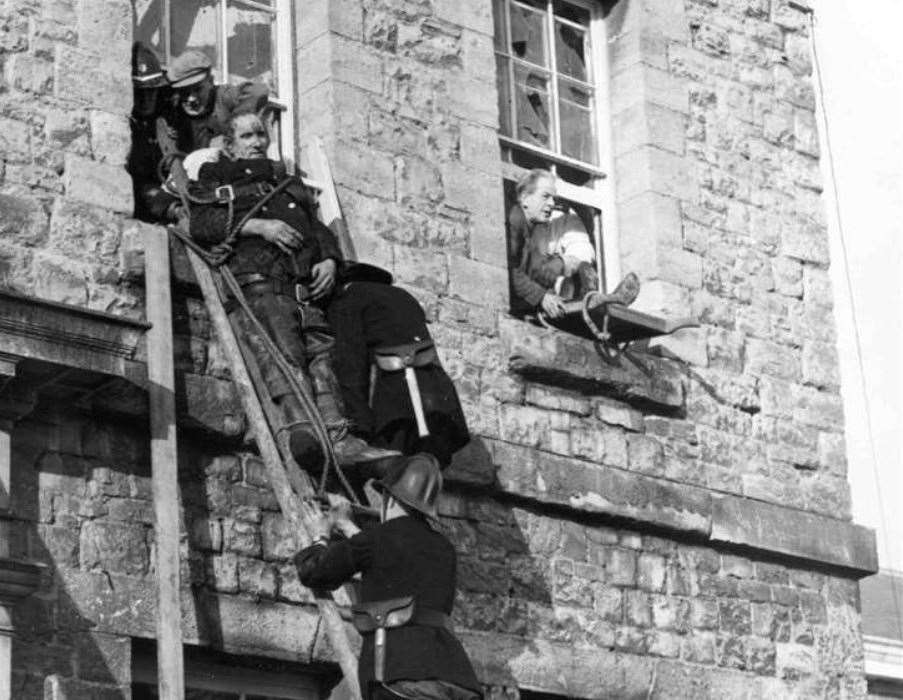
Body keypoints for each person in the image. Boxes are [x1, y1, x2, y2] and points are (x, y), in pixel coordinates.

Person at [189, 111, 395, 467]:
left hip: (304, 288)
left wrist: (330, 259)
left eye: (260, 135)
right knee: (283, 353)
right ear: (229, 144)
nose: (257, 142)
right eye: (247, 136)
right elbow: (201, 224)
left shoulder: (287, 183)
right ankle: (303, 431)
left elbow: (318, 230)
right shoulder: (217, 179)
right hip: (260, 281)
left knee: (321, 359)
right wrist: (257, 226)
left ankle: (339, 438)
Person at [296, 453, 482, 700]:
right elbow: (392, 560)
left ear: (389, 499)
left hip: (400, 678)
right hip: (458, 681)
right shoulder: (445, 548)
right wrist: (347, 526)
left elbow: (314, 571)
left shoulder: (376, 539)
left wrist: (320, 535)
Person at [326, 267, 470, 469]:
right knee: (425, 474)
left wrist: (360, 430)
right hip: (438, 398)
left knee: (397, 473)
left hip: (400, 401)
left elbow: (351, 365)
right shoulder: (404, 297)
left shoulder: (350, 299)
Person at [507, 168, 600, 321]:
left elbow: (537, 273)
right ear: (524, 198)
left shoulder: (533, 230)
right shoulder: (515, 220)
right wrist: (542, 297)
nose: (551, 203)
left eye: (553, 198)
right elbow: (509, 270)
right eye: (545, 196)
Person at [167, 49, 270, 153]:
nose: (191, 98)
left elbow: (258, 91)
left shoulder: (223, 96)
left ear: (211, 81)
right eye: (184, 92)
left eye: (198, 89)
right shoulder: (176, 105)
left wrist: (232, 132)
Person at [126, 42, 180, 223]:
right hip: (143, 198)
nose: (146, 100)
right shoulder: (128, 125)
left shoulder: (167, 118)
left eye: (151, 92)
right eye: (140, 93)